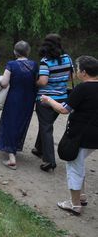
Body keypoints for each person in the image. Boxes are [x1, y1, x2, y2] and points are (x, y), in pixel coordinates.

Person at [40, 55, 98, 215]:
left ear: (84, 72)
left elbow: (64, 109)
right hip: (95, 137)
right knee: (79, 163)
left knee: (73, 167)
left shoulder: (82, 88)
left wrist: (48, 100)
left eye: (78, 69)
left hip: (80, 135)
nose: (76, 72)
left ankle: (74, 204)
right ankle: (82, 197)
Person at [0, 41, 38, 170]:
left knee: (10, 123)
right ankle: (14, 147)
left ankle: (11, 156)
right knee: (21, 123)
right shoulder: (34, 65)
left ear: (15, 52)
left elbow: (4, 83)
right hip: (29, 99)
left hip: (14, 98)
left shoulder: (11, 65)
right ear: (28, 52)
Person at [34, 33, 74, 172]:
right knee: (46, 123)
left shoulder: (46, 61)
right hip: (62, 98)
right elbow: (70, 77)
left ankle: (49, 160)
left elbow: (43, 81)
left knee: (46, 127)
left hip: (45, 99)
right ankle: (39, 149)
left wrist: (35, 81)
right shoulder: (67, 58)